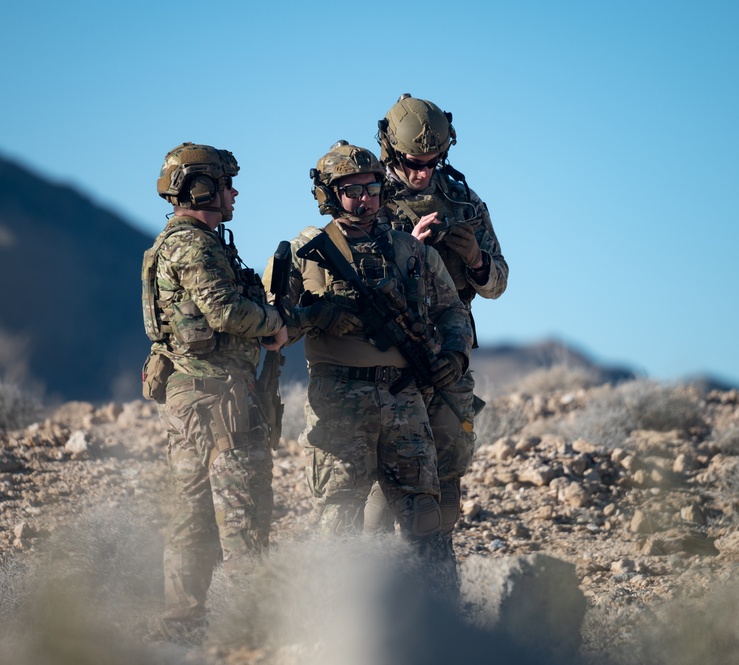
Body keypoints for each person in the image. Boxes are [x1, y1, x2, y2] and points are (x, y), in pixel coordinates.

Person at [275, 141, 471, 557]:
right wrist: (316, 315)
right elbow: (269, 329)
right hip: (339, 400)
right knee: (340, 520)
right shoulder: (300, 254)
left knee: (424, 517)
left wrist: (454, 356)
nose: (365, 200)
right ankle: (337, 616)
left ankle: (440, 614)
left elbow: (452, 310)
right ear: (329, 195)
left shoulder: (412, 251)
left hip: (403, 398)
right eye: (353, 191)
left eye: (373, 189)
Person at [141, 142, 288, 641]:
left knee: (192, 519)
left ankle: (181, 631)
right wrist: (274, 324)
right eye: (226, 184)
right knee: (243, 517)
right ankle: (252, 636)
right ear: (202, 187)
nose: (234, 192)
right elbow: (225, 311)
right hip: (221, 400)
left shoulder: (172, 243)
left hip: (189, 400)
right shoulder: (197, 245)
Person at [366, 94, 508, 546]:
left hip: (450, 357)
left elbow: (498, 282)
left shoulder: (463, 200)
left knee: (448, 471)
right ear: (391, 152)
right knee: (384, 482)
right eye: (412, 163)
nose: (423, 172)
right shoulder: (365, 198)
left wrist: (475, 258)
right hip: (391, 357)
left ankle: (435, 588)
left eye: (433, 162)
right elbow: (350, 281)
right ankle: (367, 587)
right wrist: (405, 247)